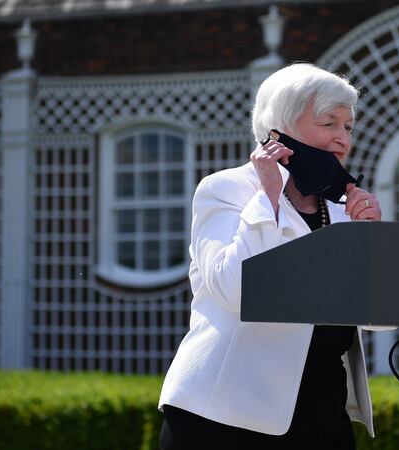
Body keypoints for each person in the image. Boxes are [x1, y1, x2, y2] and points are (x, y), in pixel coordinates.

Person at [158, 63, 383, 449]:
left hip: (323, 415)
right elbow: (234, 289)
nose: (343, 137)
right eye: (329, 123)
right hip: (224, 418)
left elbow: (380, 321)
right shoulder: (225, 189)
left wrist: (371, 239)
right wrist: (267, 200)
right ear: (282, 127)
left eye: (348, 126)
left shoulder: (345, 208)